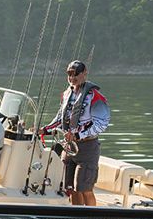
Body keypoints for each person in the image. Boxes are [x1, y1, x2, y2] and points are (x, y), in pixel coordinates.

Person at [42, 60, 110, 206]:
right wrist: (45, 130)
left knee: (84, 188)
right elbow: (60, 118)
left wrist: (79, 135)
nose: (72, 77)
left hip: (87, 148)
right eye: (69, 74)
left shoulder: (95, 96)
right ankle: (77, 215)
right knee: (70, 188)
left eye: (76, 74)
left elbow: (101, 124)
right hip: (69, 148)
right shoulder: (67, 94)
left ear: (84, 74)